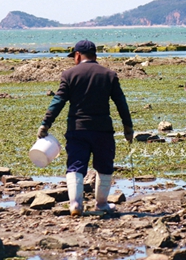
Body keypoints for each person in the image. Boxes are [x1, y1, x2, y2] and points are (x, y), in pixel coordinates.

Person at [37, 39, 134, 216]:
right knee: (104, 165)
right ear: (95, 55)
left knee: (75, 166)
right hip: (102, 129)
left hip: (77, 129)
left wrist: (45, 123)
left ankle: (75, 204)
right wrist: (128, 127)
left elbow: (58, 101)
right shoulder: (108, 74)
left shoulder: (69, 75)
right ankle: (102, 204)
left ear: (77, 55)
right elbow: (121, 102)